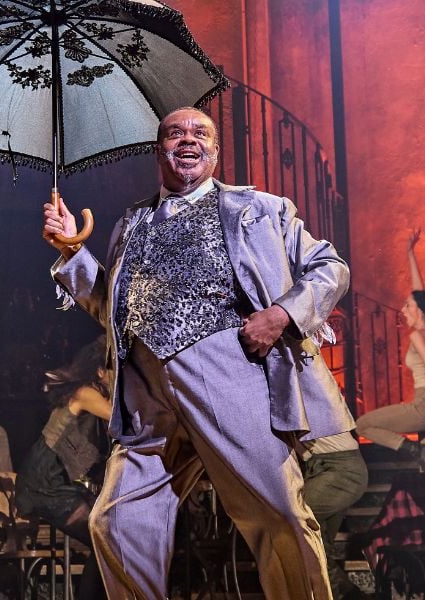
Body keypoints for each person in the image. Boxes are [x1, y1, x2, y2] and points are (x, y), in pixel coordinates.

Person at [42, 106, 353, 599]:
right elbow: (115, 310)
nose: (188, 140)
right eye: (175, 133)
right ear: (159, 149)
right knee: (118, 521)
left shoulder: (261, 210)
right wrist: (71, 254)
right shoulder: (132, 221)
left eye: (200, 133)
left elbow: (330, 268)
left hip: (228, 376)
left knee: (277, 514)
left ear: (215, 150)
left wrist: (280, 316)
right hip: (146, 396)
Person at [356, 230, 425, 473]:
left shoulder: (418, 335)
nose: (403, 310)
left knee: (362, 425)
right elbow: (419, 294)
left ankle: (414, 450)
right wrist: (410, 252)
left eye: (407, 306)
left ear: (419, 312)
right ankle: (423, 455)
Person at [13, 337, 111, 600]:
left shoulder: (93, 392)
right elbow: (123, 422)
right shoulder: (87, 394)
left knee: (106, 539)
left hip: (53, 479)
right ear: (101, 371)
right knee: (104, 542)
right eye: (115, 370)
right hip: (44, 480)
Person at [301, 432, 368, 600]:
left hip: (338, 470)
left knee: (297, 525)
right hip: (325, 467)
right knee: (319, 547)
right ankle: (349, 595)